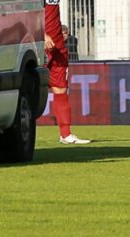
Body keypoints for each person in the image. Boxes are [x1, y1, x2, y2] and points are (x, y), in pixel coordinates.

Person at [45, 0, 90, 145]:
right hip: (39, 42)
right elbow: (24, 13)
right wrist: (41, 34)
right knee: (29, 89)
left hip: (57, 45)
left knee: (61, 89)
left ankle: (65, 134)